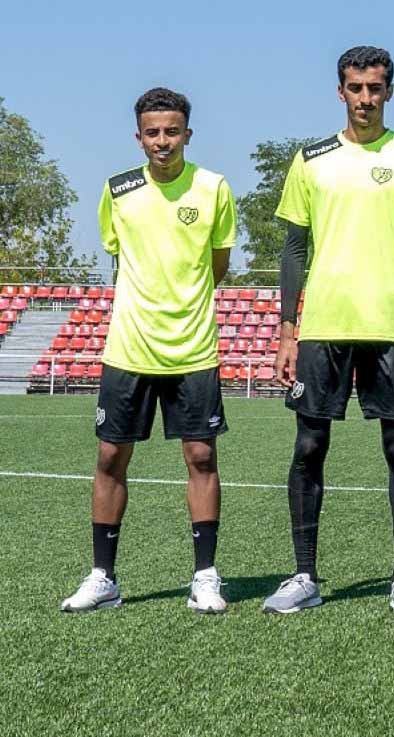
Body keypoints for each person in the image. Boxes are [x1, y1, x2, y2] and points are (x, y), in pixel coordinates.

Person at [261, 46, 394, 616]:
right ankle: (304, 576)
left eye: (374, 88)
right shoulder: (311, 159)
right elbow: (295, 248)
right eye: (355, 87)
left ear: (389, 91)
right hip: (322, 324)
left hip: (390, 324)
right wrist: (287, 328)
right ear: (339, 91)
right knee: (309, 446)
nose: (365, 98)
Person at [61, 88, 235, 614]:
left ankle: (205, 576)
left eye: (173, 130)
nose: (163, 141)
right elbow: (119, 254)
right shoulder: (118, 190)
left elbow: (218, 263)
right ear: (139, 137)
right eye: (153, 132)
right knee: (111, 456)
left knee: (201, 456)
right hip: (129, 347)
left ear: (188, 133)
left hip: (194, 348)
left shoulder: (212, 187)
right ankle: (103, 577)